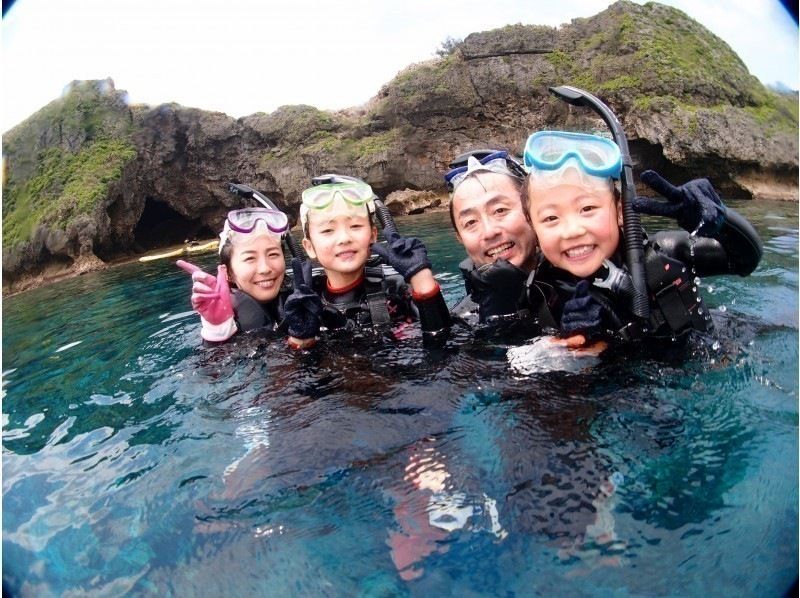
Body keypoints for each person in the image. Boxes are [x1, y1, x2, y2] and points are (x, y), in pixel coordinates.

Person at [521, 130, 763, 345]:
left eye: (587, 209)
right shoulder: (541, 294)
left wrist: (722, 222)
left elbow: (745, 261)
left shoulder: (664, 255)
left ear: (619, 212)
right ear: (533, 227)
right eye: (551, 218)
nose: (572, 230)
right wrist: (572, 344)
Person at [293, 174, 450, 343]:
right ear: (309, 247)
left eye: (355, 226)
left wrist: (422, 279)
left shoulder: (397, 292)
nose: (344, 238)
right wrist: (300, 340)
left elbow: (444, 347)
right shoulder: (304, 306)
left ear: (373, 235)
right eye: (328, 231)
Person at [177, 205, 322, 348]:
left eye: (273, 254)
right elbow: (210, 371)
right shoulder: (221, 322)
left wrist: (305, 340)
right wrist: (217, 331)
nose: (265, 268)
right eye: (250, 259)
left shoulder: (310, 301)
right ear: (228, 273)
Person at [444, 150, 541, 326]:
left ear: (532, 209)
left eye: (500, 210)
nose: (489, 232)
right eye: (471, 222)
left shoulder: (582, 279)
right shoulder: (464, 319)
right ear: (459, 237)